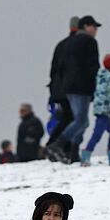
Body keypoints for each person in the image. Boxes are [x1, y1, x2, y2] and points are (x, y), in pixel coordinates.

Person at [45, 15, 101, 164]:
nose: (96, 30)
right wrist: (96, 82)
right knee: (80, 121)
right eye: (94, 27)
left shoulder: (67, 43)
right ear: (86, 26)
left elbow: (58, 67)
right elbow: (92, 65)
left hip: (67, 87)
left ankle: (71, 152)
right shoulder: (89, 41)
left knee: (77, 120)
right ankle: (58, 145)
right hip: (82, 86)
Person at [81, 54, 110, 166]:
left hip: (106, 110)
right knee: (97, 134)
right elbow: (103, 95)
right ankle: (85, 156)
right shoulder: (108, 78)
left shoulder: (105, 76)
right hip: (104, 112)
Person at [47, 16, 79, 147]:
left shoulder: (61, 45)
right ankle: (55, 145)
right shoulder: (78, 44)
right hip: (70, 88)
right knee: (72, 119)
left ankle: (58, 146)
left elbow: (53, 69)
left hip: (58, 89)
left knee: (67, 118)